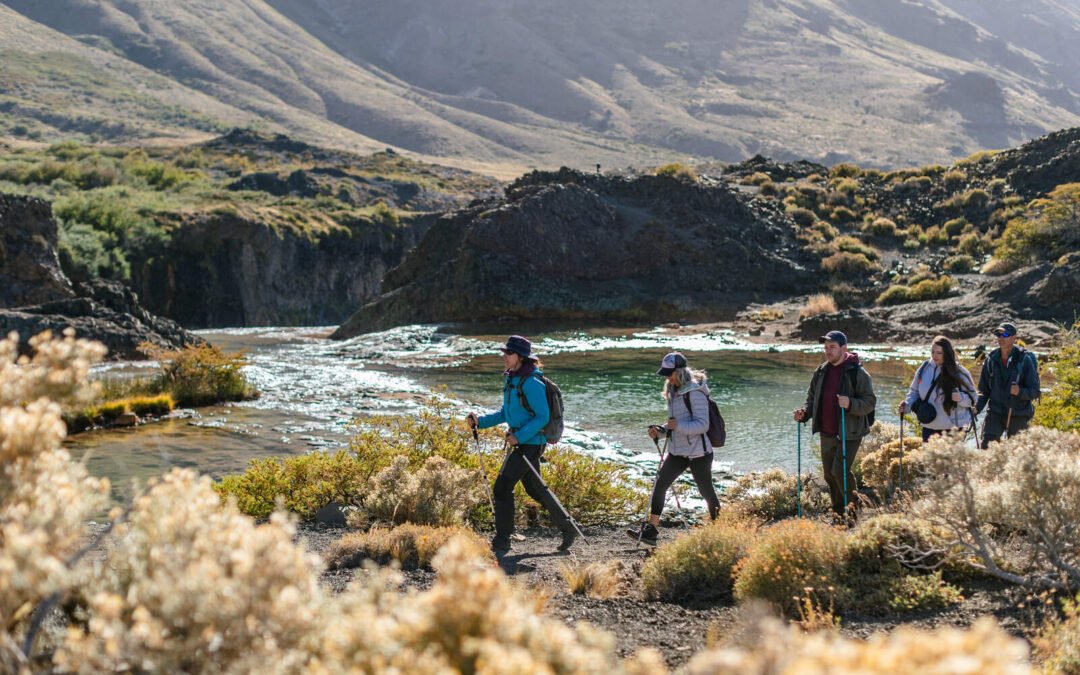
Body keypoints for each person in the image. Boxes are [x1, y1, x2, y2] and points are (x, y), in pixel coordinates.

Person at [465, 335, 576, 554]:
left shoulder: (531, 382)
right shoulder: (513, 379)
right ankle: (568, 527)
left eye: (509, 353)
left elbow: (542, 416)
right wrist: (481, 422)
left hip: (531, 444)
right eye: (504, 352)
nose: (504, 357)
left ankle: (502, 540)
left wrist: (520, 437)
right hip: (524, 443)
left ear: (521, 357)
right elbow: (506, 413)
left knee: (502, 487)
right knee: (535, 489)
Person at [626, 352, 720, 546]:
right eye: (666, 374)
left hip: (699, 453)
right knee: (659, 485)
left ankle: (721, 531)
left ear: (680, 371)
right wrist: (660, 431)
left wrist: (675, 427)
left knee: (706, 491)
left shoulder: (695, 392)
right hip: (678, 452)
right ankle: (651, 530)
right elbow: (675, 423)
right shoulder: (674, 391)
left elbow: (702, 425)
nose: (668, 377)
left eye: (670, 373)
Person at [792, 331, 876, 519]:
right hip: (827, 431)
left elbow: (870, 402)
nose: (828, 352)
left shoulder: (858, 373)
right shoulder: (821, 371)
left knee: (840, 472)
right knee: (829, 475)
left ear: (843, 349)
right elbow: (812, 399)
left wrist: (851, 404)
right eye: (826, 348)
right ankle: (839, 513)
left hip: (850, 432)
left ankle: (854, 510)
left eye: (832, 347)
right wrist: (804, 413)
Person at [897, 335, 977, 442]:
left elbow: (973, 399)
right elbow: (914, 392)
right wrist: (907, 406)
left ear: (947, 353)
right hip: (929, 427)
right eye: (933, 352)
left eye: (939, 353)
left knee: (949, 459)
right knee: (929, 459)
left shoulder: (959, 372)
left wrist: (961, 398)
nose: (935, 356)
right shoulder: (924, 368)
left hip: (953, 429)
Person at [975, 321, 1041, 447]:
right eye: (998, 334)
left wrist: (1019, 391)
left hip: (1018, 415)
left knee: (1017, 454)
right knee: (986, 448)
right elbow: (983, 391)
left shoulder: (1024, 360)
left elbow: (1035, 391)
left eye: (1005, 335)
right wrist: (976, 409)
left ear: (1014, 338)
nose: (1001, 338)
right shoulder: (991, 360)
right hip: (995, 413)